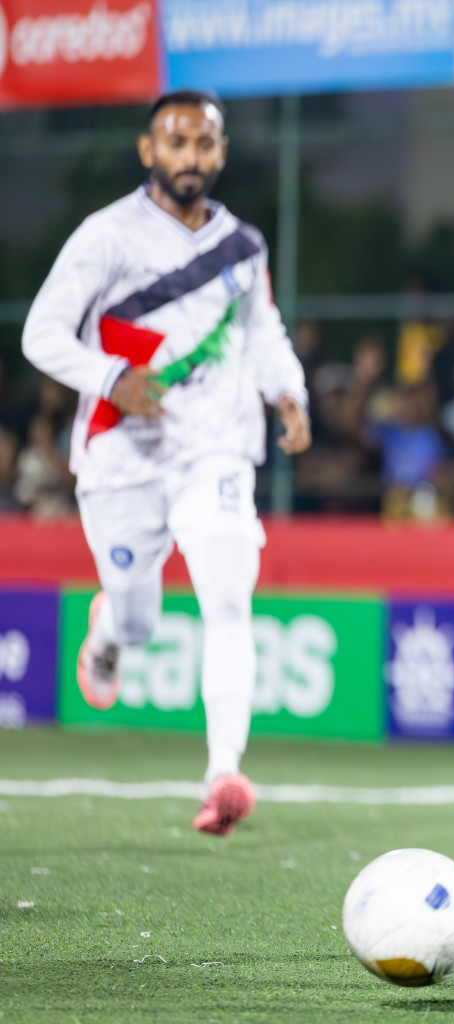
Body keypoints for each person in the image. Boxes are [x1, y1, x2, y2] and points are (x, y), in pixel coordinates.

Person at [21, 90, 311, 837]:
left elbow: (262, 328)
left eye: (204, 144)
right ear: (149, 150)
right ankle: (111, 628)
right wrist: (113, 378)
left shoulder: (243, 245)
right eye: (175, 143)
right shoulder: (107, 236)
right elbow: (41, 334)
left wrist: (288, 390)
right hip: (122, 457)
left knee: (227, 601)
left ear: (220, 152)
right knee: (140, 618)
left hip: (215, 449)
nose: (190, 157)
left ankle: (224, 774)